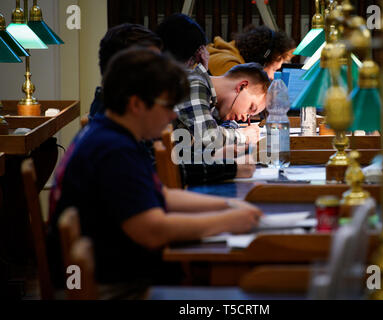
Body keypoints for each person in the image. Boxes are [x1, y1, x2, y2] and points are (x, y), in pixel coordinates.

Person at [47, 48, 263, 298]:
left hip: (119, 275)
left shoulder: (115, 134)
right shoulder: (113, 150)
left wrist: (229, 205)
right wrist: (228, 221)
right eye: (168, 105)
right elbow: (152, 230)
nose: (173, 114)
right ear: (137, 104)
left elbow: (164, 195)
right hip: (115, 289)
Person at [89, 23, 254, 184]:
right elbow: (160, 174)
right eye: (155, 68)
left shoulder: (117, 111)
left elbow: (162, 161)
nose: (163, 75)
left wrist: (211, 157)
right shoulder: (114, 131)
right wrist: (230, 168)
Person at [174, 62, 270, 158]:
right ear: (241, 86)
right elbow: (210, 137)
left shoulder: (211, 101)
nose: (245, 118)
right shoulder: (194, 85)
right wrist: (244, 136)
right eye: (250, 108)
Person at [208, 25, 296, 80]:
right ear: (261, 61)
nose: (272, 77)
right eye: (274, 69)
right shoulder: (229, 67)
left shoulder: (229, 51)